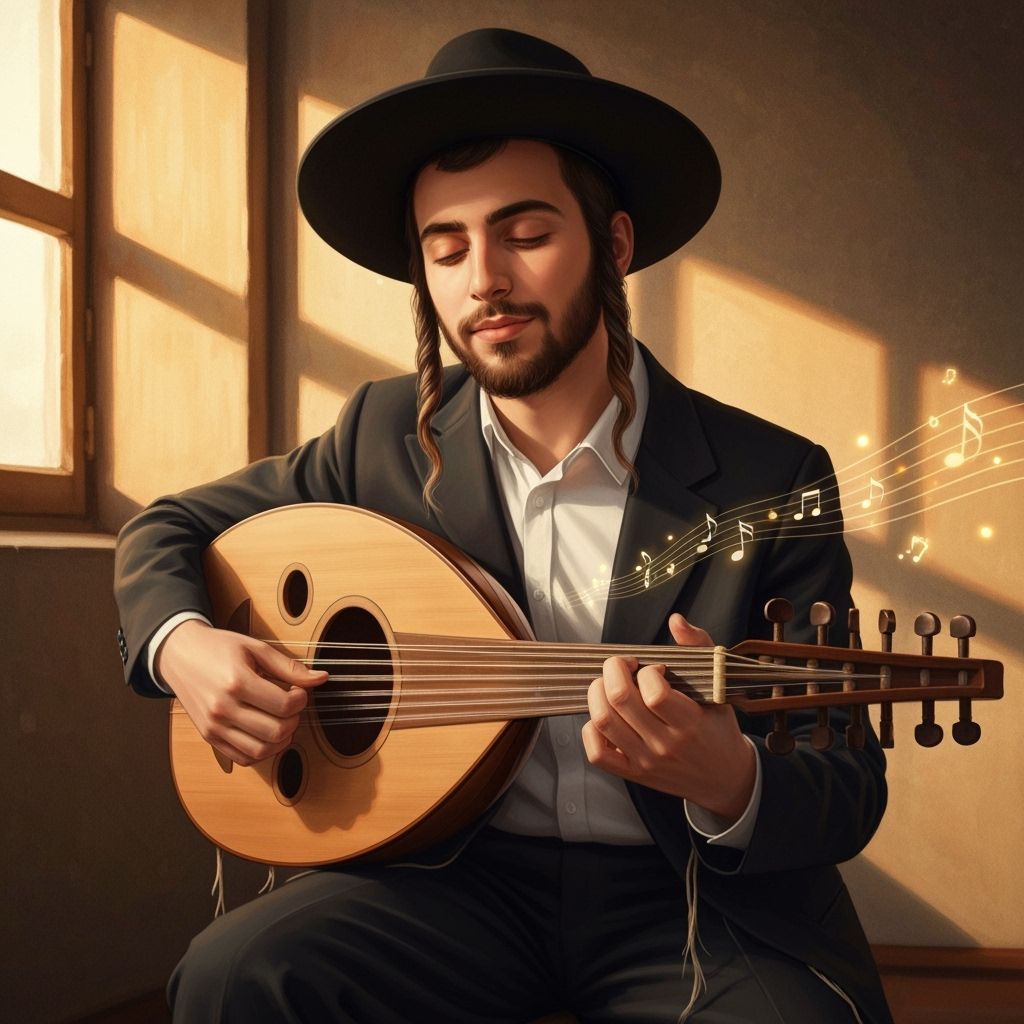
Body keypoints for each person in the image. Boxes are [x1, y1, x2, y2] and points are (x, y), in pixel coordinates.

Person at [114, 28, 892, 1024]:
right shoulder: (381, 436)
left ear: (611, 244)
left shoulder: (767, 475)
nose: (482, 278)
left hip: (690, 899)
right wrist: (185, 648)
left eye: (525, 235)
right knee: (239, 974)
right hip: (454, 882)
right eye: (446, 248)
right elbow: (168, 529)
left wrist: (729, 777)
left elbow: (844, 779)